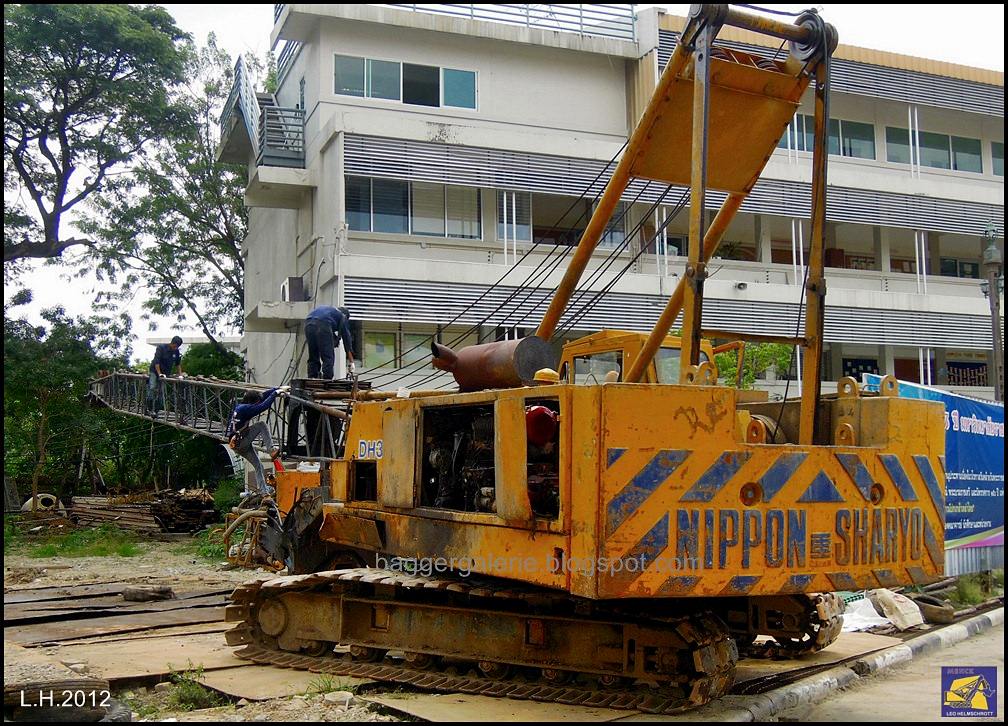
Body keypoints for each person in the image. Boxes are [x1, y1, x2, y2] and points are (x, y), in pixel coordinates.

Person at [226, 386, 289, 496]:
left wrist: (277, 388)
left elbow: (263, 397)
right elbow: (264, 406)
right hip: (242, 441)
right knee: (261, 425)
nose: (258, 403)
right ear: (252, 402)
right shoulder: (246, 409)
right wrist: (275, 393)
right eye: (256, 402)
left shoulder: (241, 406)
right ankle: (271, 450)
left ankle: (264, 493)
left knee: (258, 465)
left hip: (238, 445)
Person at [304, 305, 356, 380]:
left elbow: (328, 335)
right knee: (328, 357)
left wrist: (334, 340)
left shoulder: (331, 312)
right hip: (323, 324)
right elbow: (347, 340)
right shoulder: (342, 316)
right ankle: (327, 379)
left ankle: (312, 378)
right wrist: (351, 362)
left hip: (308, 323)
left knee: (313, 355)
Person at [146, 336, 185, 413]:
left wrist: (180, 375)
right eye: (175, 346)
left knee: (161, 391)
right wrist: (159, 374)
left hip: (165, 373)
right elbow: (157, 362)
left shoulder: (176, 351)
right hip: (155, 370)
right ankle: (148, 408)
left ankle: (156, 410)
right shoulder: (161, 348)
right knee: (152, 387)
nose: (175, 348)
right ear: (172, 343)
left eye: (177, 347)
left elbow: (178, 364)